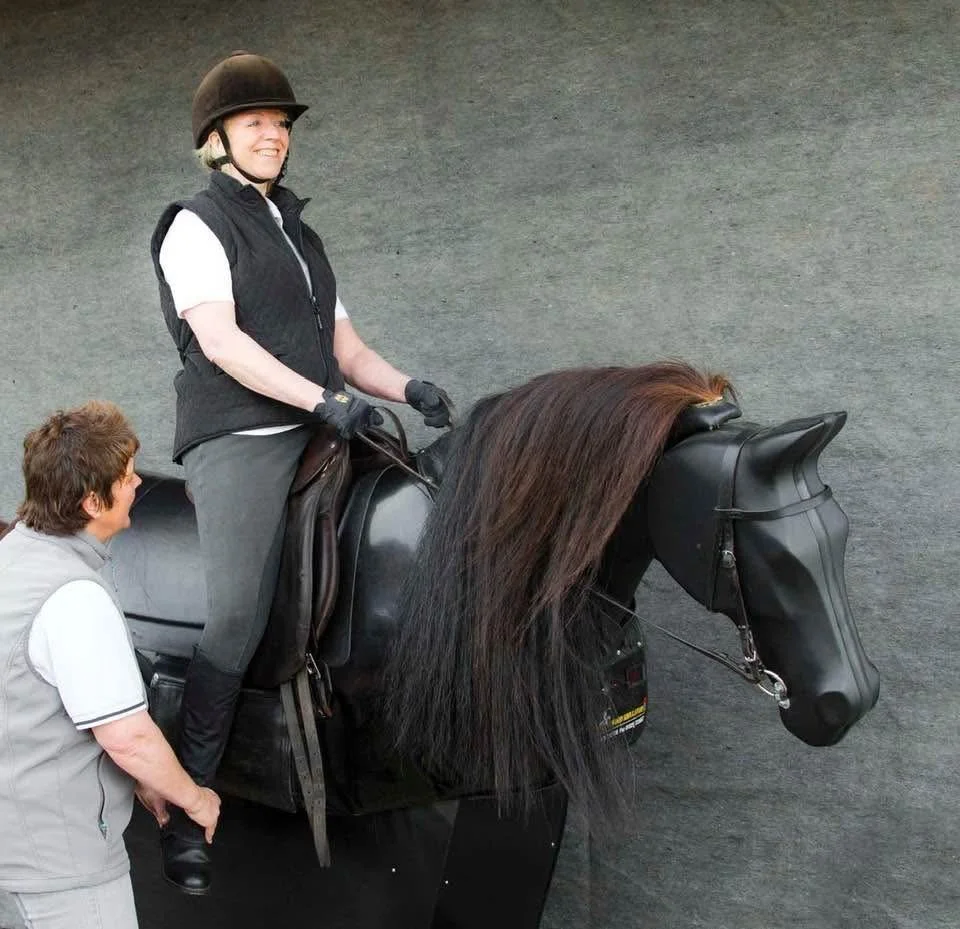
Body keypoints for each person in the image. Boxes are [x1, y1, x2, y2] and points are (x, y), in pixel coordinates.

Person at [149, 51, 453, 895]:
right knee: (239, 611)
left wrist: (408, 388)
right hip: (242, 433)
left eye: (281, 125)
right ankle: (187, 806)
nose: (274, 136)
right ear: (217, 140)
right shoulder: (195, 225)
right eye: (256, 123)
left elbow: (348, 350)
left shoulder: (301, 233)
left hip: (323, 416)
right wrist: (321, 400)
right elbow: (222, 341)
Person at [0, 402, 221, 929]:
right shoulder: (74, 596)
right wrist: (193, 797)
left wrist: (140, 781)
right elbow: (128, 738)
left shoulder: (12, 558)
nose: (137, 483)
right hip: (61, 870)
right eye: (125, 477)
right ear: (93, 501)